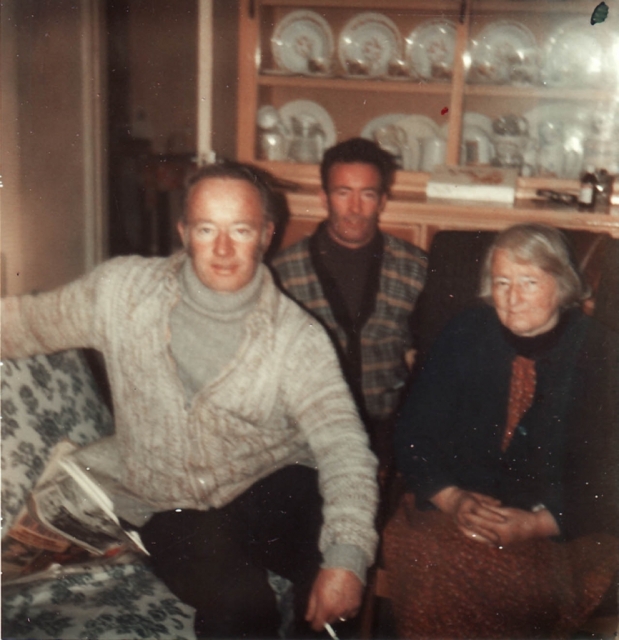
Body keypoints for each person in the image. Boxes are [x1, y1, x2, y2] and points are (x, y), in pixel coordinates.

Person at [1, 161, 379, 639]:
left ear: (266, 234)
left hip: (273, 483)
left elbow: (344, 446)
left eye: (240, 230)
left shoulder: (298, 338)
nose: (222, 249)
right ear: (184, 232)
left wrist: (346, 560)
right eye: (207, 229)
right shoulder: (121, 293)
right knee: (240, 605)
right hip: (171, 505)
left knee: (329, 581)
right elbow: (29, 322)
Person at [385, 223, 619, 638]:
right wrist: (452, 498)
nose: (512, 298)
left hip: (559, 533)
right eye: (501, 282)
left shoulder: (602, 352)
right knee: (436, 562)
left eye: (528, 282)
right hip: (452, 514)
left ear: (561, 285)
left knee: (478, 576)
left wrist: (538, 524)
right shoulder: (465, 334)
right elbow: (412, 431)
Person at [272, 138, 427, 479]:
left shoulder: (415, 268)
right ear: (324, 198)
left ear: (382, 200)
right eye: (343, 193)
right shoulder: (281, 273)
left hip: (390, 438)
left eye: (367, 194)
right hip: (307, 437)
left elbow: (430, 360)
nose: (355, 208)